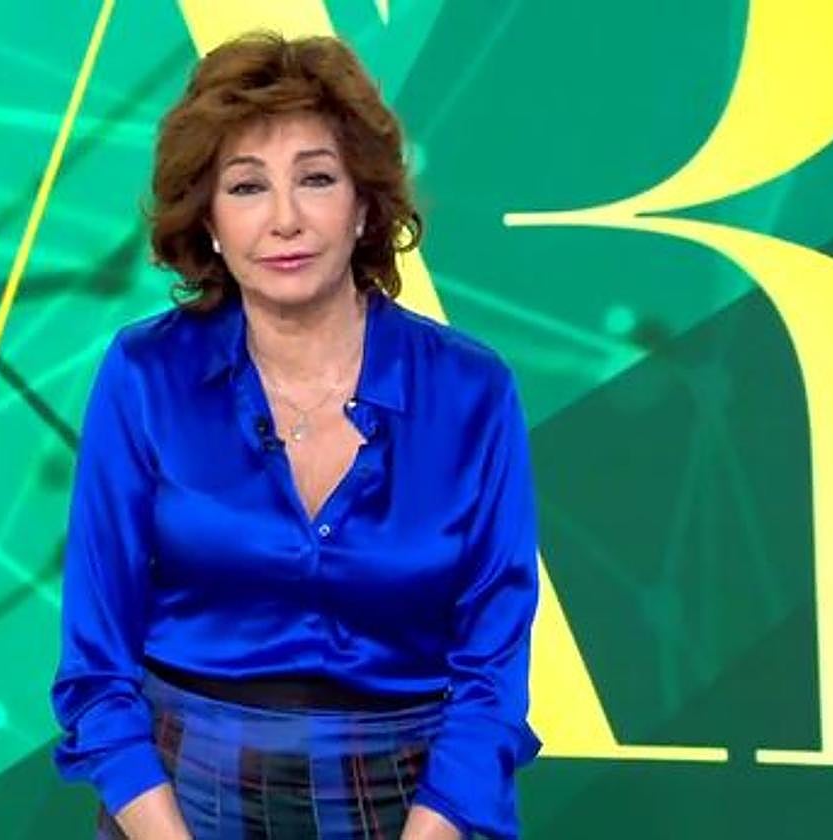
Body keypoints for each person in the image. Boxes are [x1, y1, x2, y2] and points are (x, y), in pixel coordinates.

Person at [50, 30, 542, 840]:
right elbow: (95, 672)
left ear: (364, 206)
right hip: (178, 799)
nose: (285, 219)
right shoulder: (144, 376)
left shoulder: (471, 391)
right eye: (247, 187)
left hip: (414, 805)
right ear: (209, 220)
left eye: (316, 178)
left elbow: (491, 678)